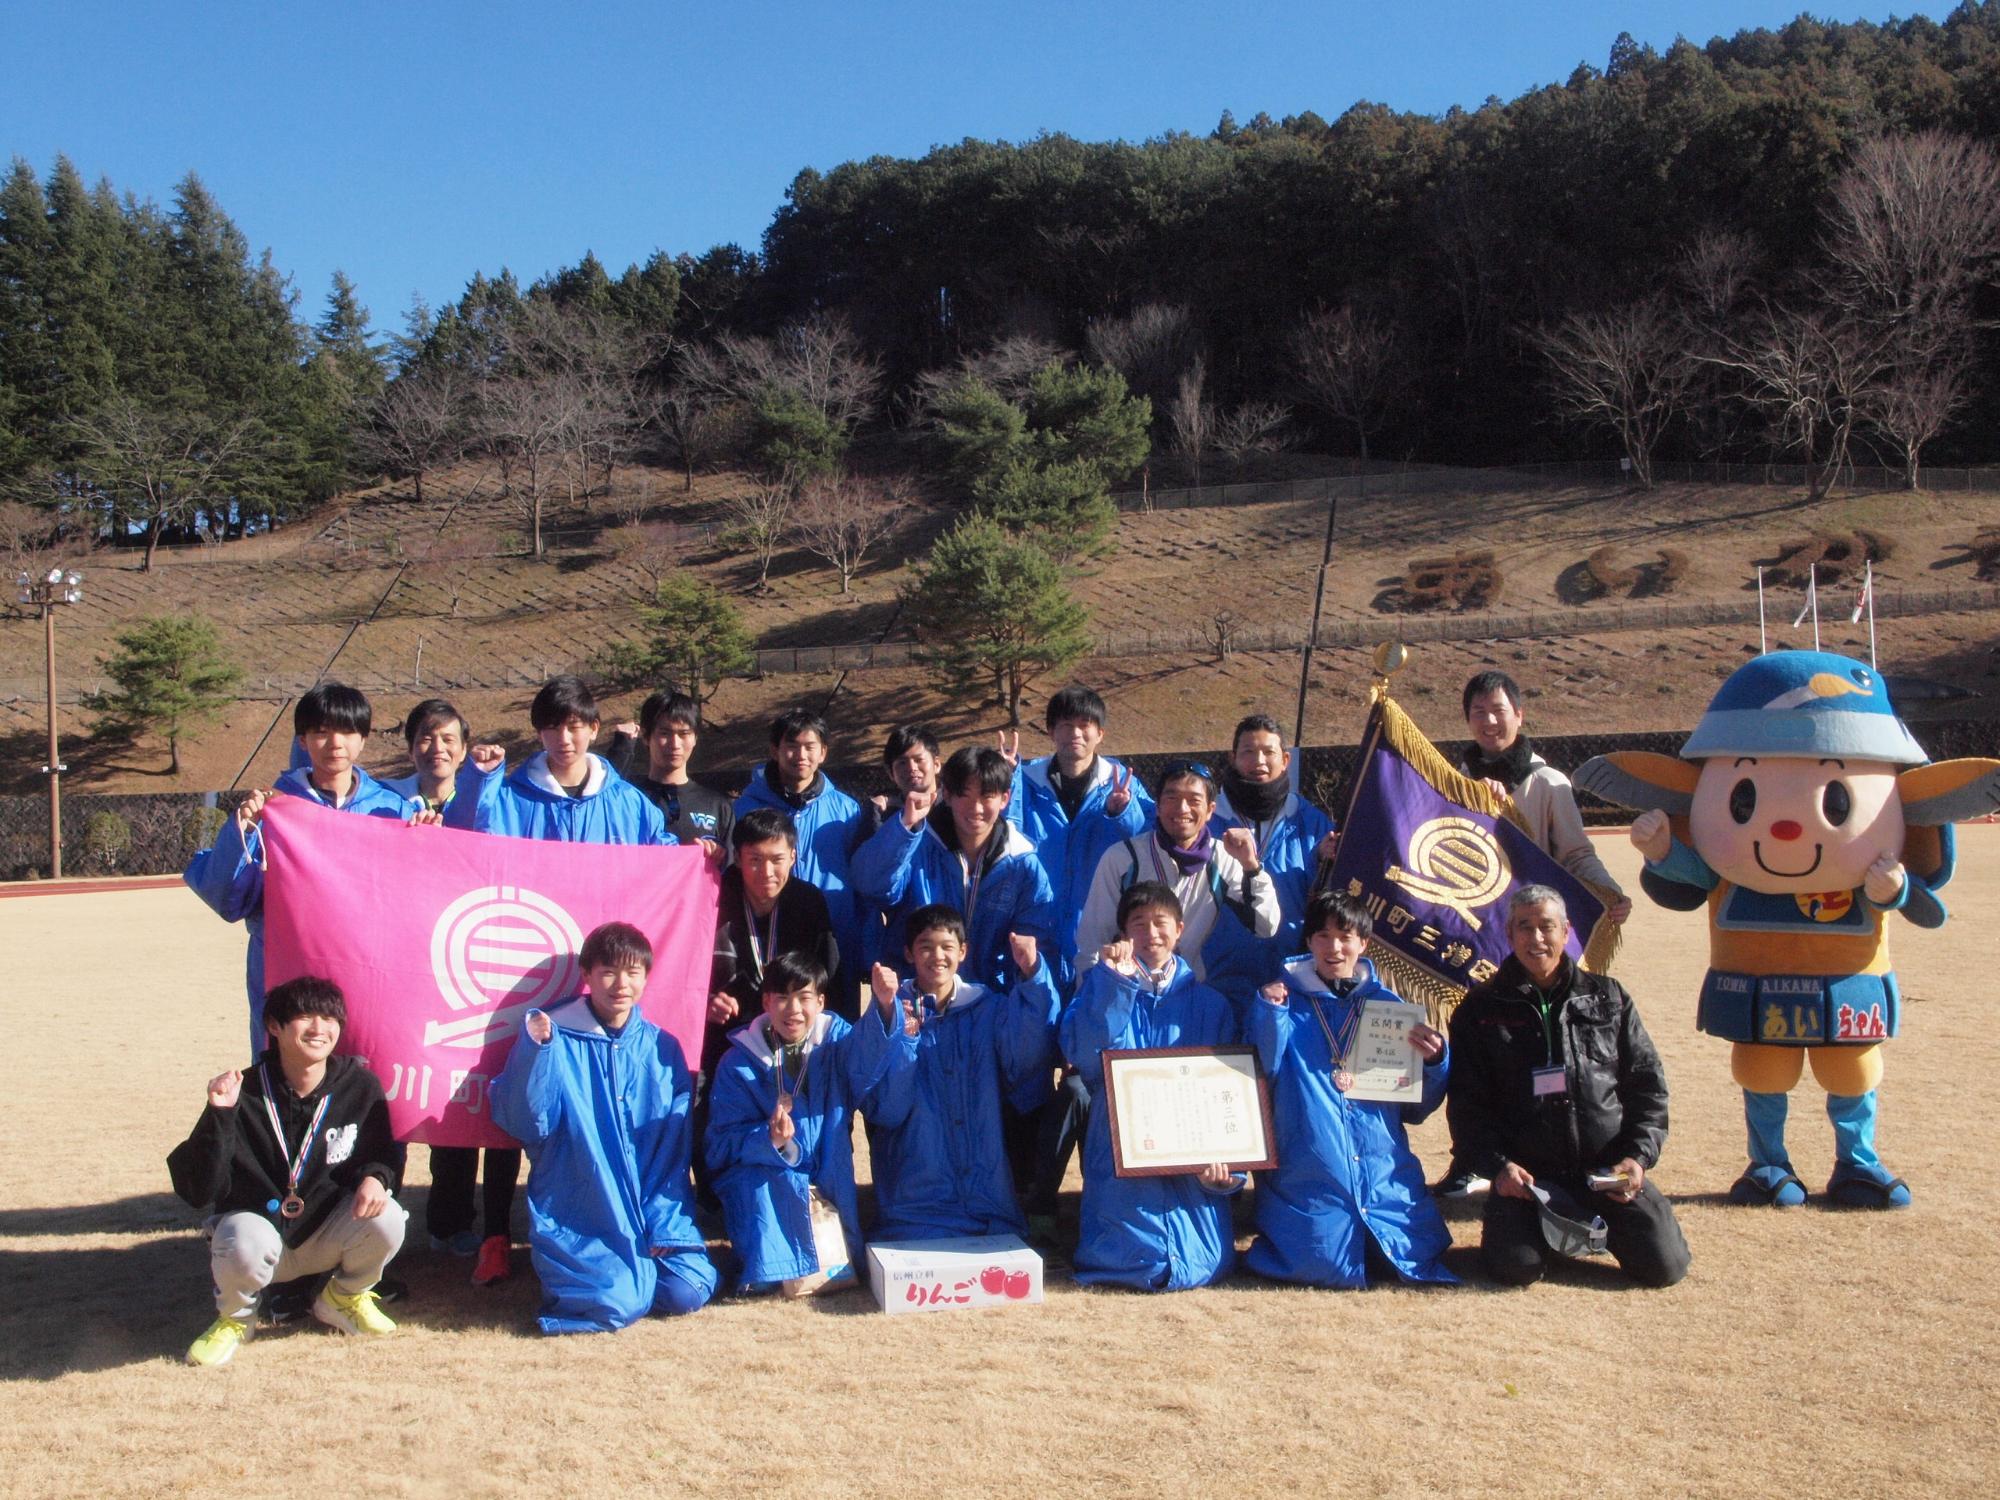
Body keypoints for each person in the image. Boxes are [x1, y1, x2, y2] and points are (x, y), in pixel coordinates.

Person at [1435, 669, 1632, 1200]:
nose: (1489, 721)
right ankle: (1471, 1158)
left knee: (1532, 1055)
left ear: (1519, 716)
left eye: (1498, 710)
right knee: (1476, 1058)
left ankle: (1544, 1156)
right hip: (1473, 935)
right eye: (1478, 712)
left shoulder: (1548, 783)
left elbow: (1576, 852)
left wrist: (1608, 892)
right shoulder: (1450, 778)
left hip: (1532, 942)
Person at [1446, 886, 1690, 1290]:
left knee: (1666, 1268)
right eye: (1525, 927)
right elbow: (1467, 1106)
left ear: (1566, 931)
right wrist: (1499, 1168)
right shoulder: (1480, 1009)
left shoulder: (1609, 998)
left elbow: (1648, 1088)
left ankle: (1591, 1225)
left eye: (1547, 926)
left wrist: (1636, 1158)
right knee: (1514, 1269)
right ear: (1509, 934)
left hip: (1605, 1172)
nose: (1536, 938)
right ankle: (1540, 1231)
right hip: (1528, 1181)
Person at [491, 921, 718, 1334]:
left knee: (688, 1290)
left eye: (633, 972)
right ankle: (622, 1282)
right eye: (609, 972)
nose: (621, 984)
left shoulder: (662, 1047)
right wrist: (536, 1053)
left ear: (646, 977)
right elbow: (526, 1123)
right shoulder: (555, 1034)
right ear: (587, 975)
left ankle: (638, 1273)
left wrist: (663, 1225)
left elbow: (672, 1153)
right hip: (583, 1209)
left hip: (650, 1205)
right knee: (619, 1303)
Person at [168, 975, 405, 1367]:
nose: (319, 1028)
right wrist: (219, 1116)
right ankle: (235, 1320)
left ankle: (343, 1298)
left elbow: (381, 1155)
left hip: (325, 1233)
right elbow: (198, 1190)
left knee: (389, 1217)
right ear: (274, 1027)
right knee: (242, 1238)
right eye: (305, 1017)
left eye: (330, 1018)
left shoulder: (360, 1086)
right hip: (260, 1237)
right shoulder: (243, 1093)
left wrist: (375, 1178)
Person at [185, 681, 414, 1048]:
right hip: (288, 967)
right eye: (321, 732)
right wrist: (243, 829)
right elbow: (227, 899)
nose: (335, 743)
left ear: (363, 739)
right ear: (302, 741)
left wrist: (424, 839)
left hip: (364, 965)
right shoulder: (274, 808)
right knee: (288, 1064)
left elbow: (410, 902)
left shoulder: (392, 810)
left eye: (347, 731)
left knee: (363, 1063)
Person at [1246, 891, 1455, 1289]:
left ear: (1364, 943)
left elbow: (1415, 1109)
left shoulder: (1388, 1006)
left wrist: (1435, 1062)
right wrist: (1269, 1014)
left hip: (1381, 1166)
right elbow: (1261, 1073)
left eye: (1345, 936)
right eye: (1323, 936)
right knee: (1318, 1259)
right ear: (1309, 942)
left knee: (1407, 1255)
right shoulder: (1281, 1000)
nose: (1334, 947)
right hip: (1308, 1169)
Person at [1061, 883, 1243, 1291]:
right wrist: (1113, 984)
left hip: (1193, 1161)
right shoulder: (1100, 986)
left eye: (1161, 922)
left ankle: (1191, 1252)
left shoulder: (1211, 1004)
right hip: (1121, 1156)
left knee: (1201, 1247)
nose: (1151, 934)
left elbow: (1230, 1094)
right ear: (1124, 934)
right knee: (1125, 1240)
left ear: (1180, 929)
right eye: (1138, 924)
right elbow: (1084, 1056)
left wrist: (1230, 1170)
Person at [704, 951, 911, 1294]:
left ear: (821, 1002)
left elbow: (866, 1062)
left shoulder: (836, 1041)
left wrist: (885, 1005)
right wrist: (767, 1140)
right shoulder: (738, 1062)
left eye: (804, 998)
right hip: (766, 1181)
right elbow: (719, 1145)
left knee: (839, 1261)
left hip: (829, 1171)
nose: (794, 1010)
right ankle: (769, 1272)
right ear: (766, 1002)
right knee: (761, 1209)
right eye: (782, 998)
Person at [860, 906, 1061, 1241]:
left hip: (984, 1183)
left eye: (947, 947)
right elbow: (883, 1104)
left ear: (963, 951)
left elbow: (1026, 1056)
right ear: (908, 953)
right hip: (913, 1185)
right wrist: (895, 1030)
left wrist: (1033, 976)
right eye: (925, 947)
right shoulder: (891, 1010)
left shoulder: (987, 1007)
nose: (937, 956)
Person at [852, 745, 1057, 991]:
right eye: (965, 795)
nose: (976, 808)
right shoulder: (916, 846)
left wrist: (1017, 990)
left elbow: (1037, 942)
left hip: (989, 1000)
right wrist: (902, 829)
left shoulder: (1022, 864)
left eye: (987, 796)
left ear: (1005, 798)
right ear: (947, 795)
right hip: (917, 996)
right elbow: (871, 886)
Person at [1074, 761, 1281, 987]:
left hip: (1186, 992)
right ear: (1158, 806)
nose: (1182, 808)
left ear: (1210, 810)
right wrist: (1092, 998)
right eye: (1172, 798)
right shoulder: (1122, 858)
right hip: (1127, 990)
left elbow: (1265, 926)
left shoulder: (1224, 857)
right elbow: (1093, 943)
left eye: (1194, 800)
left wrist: (1251, 866)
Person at [1005, 685, 1153, 987]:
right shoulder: (1024, 780)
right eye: (1065, 725)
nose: (1075, 733)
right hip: (1034, 927)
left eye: (1085, 725)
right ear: (1051, 731)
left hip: (1100, 931)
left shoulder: (1123, 784)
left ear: (1100, 734)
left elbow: (1147, 840)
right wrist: (1004, 783)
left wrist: (1121, 812)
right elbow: (1003, 833)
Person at [734, 709, 867, 1002]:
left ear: (823, 752)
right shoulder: (745, 808)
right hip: (771, 936)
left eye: (810, 746)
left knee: (834, 1020)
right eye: (792, 746)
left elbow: (861, 879)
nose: (801, 755)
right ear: (775, 750)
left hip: (834, 935)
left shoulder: (846, 810)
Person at [468, 676, 677, 847]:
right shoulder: (507, 801)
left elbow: (666, 861)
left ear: (593, 729)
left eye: (574, 727)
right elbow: (465, 839)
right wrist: (479, 779)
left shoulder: (629, 803)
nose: (564, 739)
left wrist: (697, 855)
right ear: (540, 733)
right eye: (553, 728)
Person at [1212, 713, 1339, 957]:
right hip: (1220, 967)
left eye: (1269, 752)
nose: (1259, 761)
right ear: (1233, 758)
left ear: (1285, 760)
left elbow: (1332, 899)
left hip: (1292, 966)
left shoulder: (1311, 822)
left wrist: (1324, 862)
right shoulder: (1208, 819)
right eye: (1248, 752)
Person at [605, 688, 736, 848]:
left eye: (684, 734)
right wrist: (621, 750)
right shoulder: (628, 798)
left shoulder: (717, 806)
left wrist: (717, 858)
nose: (675, 744)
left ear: (695, 737)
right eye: (665, 733)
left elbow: (732, 862)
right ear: (646, 736)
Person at [380, 697, 487, 828]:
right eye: (427, 739)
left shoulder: (477, 806)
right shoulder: (384, 798)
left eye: (448, 740)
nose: (438, 748)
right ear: (410, 750)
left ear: (464, 750)